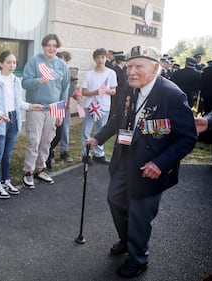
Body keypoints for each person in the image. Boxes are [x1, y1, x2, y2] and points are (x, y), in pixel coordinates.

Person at [86, 45, 197, 278]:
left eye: (138, 66)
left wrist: (160, 163)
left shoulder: (172, 95)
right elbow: (117, 119)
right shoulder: (129, 89)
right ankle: (127, 241)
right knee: (115, 200)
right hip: (123, 160)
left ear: (155, 68)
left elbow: (187, 137)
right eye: (129, 66)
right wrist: (97, 138)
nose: (131, 71)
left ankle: (138, 259)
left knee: (139, 215)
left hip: (150, 168)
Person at [0, 51, 43, 198]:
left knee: (7, 154)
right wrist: (0, 114)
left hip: (13, 118)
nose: (12, 65)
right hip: (1, 119)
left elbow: (18, 102)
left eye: (14, 62)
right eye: (8, 62)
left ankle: (6, 180)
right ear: (1, 64)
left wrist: (31, 106)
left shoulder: (15, 80)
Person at [21, 33, 70, 189]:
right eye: (48, 45)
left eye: (54, 45)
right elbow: (25, 83)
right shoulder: (34, 61)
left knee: (46, 141)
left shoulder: (62, 66)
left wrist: (59, 113)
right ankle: (28, 172)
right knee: (34, 141)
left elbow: (64, 90)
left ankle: (40, 169)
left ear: (57, 48)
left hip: (52, 110)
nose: (51, 48)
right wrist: (39, 80)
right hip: (36, 108)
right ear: (43, 46)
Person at [81, 48, 117, 164]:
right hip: (91, 106)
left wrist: (106, 90)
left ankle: (99, 153)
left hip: (104, 106)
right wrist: (95, 92)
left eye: (103, 57)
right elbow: (84, 92)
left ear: (106, 58)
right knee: (86, 130)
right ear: (94, 59)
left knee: (101, 130)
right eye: (98, 57)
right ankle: (85, 154)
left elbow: (114, 91)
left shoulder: (111, 73)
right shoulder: (89, 74)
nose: (100, 60)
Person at [46, 51, 80, 170]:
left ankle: (53, 151)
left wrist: (74, 87)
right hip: (54, 106)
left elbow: (71, 92)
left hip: (64, 107)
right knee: (52, 132)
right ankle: (48, 156)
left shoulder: (68, 76)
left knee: (60, 133)